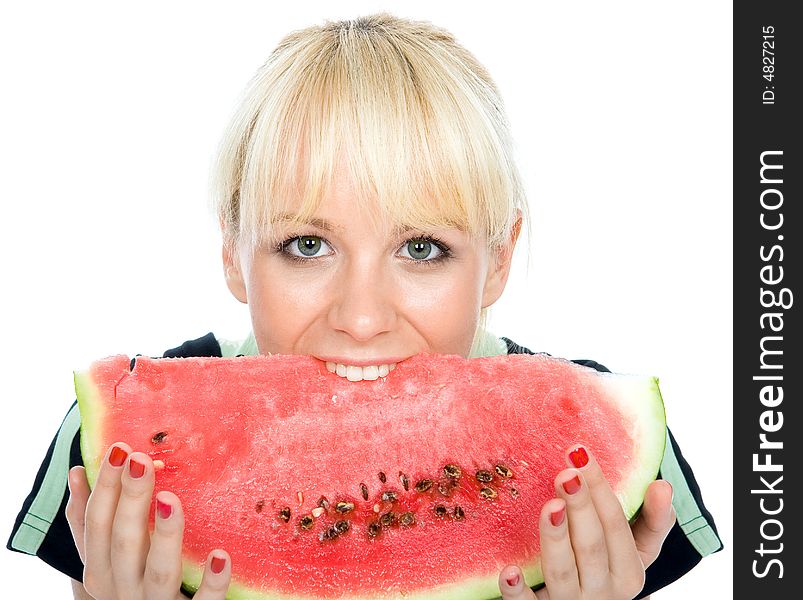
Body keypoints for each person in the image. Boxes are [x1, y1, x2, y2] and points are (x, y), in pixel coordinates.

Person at [7, 13, 721, 599]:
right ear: (232, 250)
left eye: (420, 249)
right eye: (307, 244)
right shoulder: (121, 446)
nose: (361, 316)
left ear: (499, 259)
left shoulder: (588, 454)